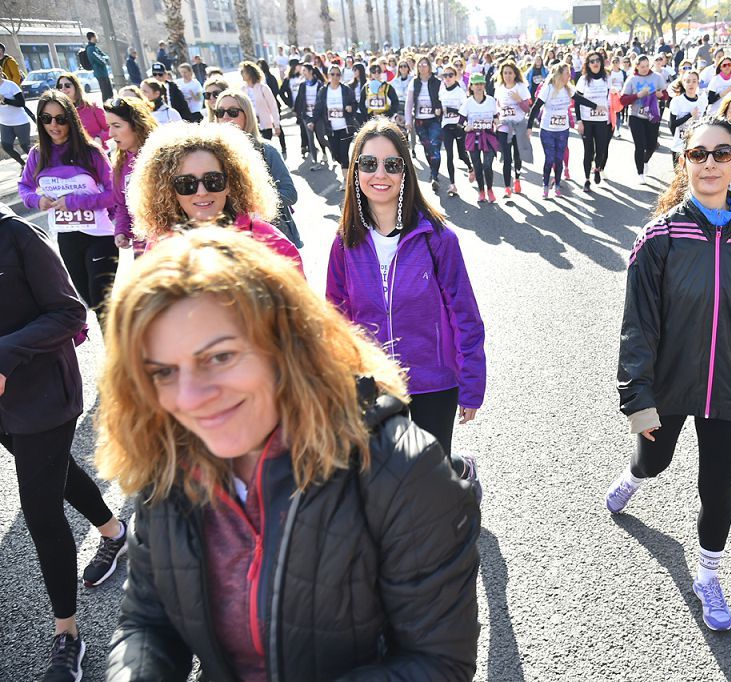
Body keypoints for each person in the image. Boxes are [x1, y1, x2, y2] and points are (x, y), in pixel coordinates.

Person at [98, 226, 480, 680]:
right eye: (162, 372)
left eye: (219, 357)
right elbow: (148, 619)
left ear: (283, 346)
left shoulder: (399, 469)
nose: (191, 397)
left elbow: (438, 662)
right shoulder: (170, 461)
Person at [607, 115, 731, 633]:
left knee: (719, 486)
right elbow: (636, 326)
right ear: (684, 163)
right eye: (699, 154)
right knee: (655, 462)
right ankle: (633, 475)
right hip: (669, 385)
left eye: (722, 154)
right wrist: (637, 399)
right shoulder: (660, 236)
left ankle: (708, 575)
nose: (710, 164)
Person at [0, 204, 128, 682]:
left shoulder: (18, 237)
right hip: (5, 406)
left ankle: (68, 636)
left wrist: (6, 353)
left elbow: (70, 312)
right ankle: (116, 534)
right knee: (56, 472)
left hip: (43, 397)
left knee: (40, 509)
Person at [326, 118, 486, 499]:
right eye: (368, 164)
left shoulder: (438, 238)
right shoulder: (344, 243)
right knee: (389, 477)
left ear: (405, 172)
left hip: (436, 379)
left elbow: (465, 315)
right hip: (375, 383)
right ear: (355, 172)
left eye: (391, 165)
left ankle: (458, 469)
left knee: (432, 471)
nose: (379, 174)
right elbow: (335, 319)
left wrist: (471, 384)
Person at [127, 121, 302, 271]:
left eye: (213, 180)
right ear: (169, 190)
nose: (202, 192)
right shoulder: (159, 249)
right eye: (186, 183)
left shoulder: (271, 245)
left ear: (230, 183)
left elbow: (298, 308)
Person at [18, 90, 119, 328]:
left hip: (99, 236)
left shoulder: (91, 152)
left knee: (101, 299)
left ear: (71, 120)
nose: (54, 125)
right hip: (68, 237)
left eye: (61, 119)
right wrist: (36, 200)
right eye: (46, 119)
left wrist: (75, 201)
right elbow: (24, 187)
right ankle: (123, 341)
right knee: (92, 303)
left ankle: (119, 360)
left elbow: (113, 194)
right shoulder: (37, 154)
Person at [215, 89, 303, 248]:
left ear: (246, 115)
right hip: (231, 242)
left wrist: (252, 202)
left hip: (270, 238)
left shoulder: (266, 151)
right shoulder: (210, 156)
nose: (225, 117)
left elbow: (290, 194)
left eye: (233, 112)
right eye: (220, 112)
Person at [527, 63, 596, 199]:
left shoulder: (568, 89)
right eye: (567, 73)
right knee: (549, 159)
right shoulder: (548, 88)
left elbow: (579, 100)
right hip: (547, 129)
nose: (569, 75)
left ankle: (557, 185)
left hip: (562, 130)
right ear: (559, 74)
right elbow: (536, 107)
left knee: (559, 160)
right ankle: (545, 185)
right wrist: (529, 127)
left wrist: (595, 106)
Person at [105, 96, 159, 255]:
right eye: (108, 126)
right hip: (142, 248)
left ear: (137, 125)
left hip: (170, 245)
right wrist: (121, 231)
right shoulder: (120, 164)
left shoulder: (163, 157)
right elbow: (122, 205)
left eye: (116, 126)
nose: (110, 133)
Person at [619, 55, 667, 185]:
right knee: (639, 146)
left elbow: (666, 94)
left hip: (652, 115)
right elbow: (622, 100)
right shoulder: (632, 79)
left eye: (647, 66)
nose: (645, 69)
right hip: (636, 116)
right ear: (637, 66)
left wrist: (660, 95)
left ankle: (645, 161)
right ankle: (640, 173)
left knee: (652, 145)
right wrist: (638, 95)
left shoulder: (657, 77)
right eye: (642, 67)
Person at [312, 64, 359, 180]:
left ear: (341, 76)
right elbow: (318, 108)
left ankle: (347, 180)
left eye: (338, 74)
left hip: (345, 127)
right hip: (331, 129)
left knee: (343, 153)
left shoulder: (346, 89)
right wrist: (312, 121)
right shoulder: (323, 91)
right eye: (332, 74)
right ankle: (349, 170)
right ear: (328, 75)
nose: (335, 77)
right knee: (336, 154)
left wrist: (350, 108)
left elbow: (355, 103)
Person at [494, 59, 532, 198]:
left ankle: (517, 179)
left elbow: (527, 109)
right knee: (507, 157)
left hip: (519, 126)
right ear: (502, 75)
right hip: (504, 127)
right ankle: (507, 187)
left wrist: (518, 100)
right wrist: (497, 119)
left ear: (515, 74)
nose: (508, 75)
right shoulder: (499, 89)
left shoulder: (521, 87)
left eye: (510, 73)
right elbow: (497, 107)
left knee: (517, 156)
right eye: (505, 73)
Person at [575, 51, 613, 193]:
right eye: (592, 61)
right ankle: (586, 180)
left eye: (597, 60)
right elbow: (577, 101)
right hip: (587, 120)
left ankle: (597, 168)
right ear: (588, 64)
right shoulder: (583, 80)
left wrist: (613, 118)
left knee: (601, 150)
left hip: (602, 120)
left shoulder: (606, 78)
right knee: (588, 151)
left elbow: (611, 99)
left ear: (601, 62)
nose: (595, 63)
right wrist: (579, 121)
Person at [407, 57, 445, 193]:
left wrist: (440, 108)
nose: (422, 67)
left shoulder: (437, 82)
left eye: (425, 65)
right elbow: (409, 103)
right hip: (420, 120)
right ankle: (433, 169)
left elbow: (443, 99)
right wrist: (407, 121)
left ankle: (434, 175)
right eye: (420, 65)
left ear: (429, 67)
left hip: (434, 120)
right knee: (427, 147)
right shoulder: (414, 82)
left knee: (435, 147)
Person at [461, 72, 499, 203]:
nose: (479, 87)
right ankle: (481, 191)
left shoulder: (491, 100)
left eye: (481, 84)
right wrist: (466, 127)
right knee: (477, 165)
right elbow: (461, 121)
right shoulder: (468, 102)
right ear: (471, 86)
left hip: (488, 136)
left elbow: (496, 116)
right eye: (476, 84)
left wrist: (497, 122)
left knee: (488, 165)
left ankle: (490, 189)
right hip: (473, 137)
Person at [439, 63, 472, 197]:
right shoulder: (441, 91)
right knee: (449, 155)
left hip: (458, 126)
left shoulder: (460, 92)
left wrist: (450, 110)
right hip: (446, 126)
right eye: (445, 75)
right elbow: (440, 107)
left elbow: (465, 111)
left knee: (462, 154)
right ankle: (452, 184)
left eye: (450, 75)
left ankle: (470, 168)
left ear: (455, 77)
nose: (447, 78)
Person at [240, 60, 284, 155]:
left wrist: (276, 125)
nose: (241, 74)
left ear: (250, 73)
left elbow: (273, 107)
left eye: (243, 71)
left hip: (265, 125)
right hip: (250, 125)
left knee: (264, 150)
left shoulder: (263, 88)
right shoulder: (242, 90)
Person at [668, 71, 711, 165]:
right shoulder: (677, 101)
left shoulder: (703, 101)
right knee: (679, 178)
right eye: (688, 81)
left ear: (698, 83)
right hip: (679, 146)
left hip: (696, 145)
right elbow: (672, 124)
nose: (691, 84)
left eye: (694, 81)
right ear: (683, 83)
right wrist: (689, 115)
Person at [55, 72, 110, 144]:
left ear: (76, 86)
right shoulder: (58, 111)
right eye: (60, 86)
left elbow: (110, 129)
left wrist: (99, 138)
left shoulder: (93, 107)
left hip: (97, 150)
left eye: (67, 85)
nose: (63, 89)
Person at [295, 63, 329, 170]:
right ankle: (315, 160)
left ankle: (331, 151)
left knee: (321, 138)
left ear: (310, 71)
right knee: (310, 139)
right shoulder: (302, 85)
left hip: (318, 116)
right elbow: (299, 101)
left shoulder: (319, 85)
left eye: (304, 70)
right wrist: (300, 115)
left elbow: (323, 102)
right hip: (307, 116)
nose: (303, 72)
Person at [0, 68, 31, 167]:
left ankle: (39, 164)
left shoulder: (10, 85)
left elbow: (21, 103)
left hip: (20, 122)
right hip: (5, 123)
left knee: (25, 146)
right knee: (6, 146)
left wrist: (5, 100)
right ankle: (23, 165)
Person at [85, 31, 114, 101]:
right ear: (92, 37)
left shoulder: (95, 47)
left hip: (104, 72)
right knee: (105, 93)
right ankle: (106, 108)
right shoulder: (90, 49)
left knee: (110, 92)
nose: (97, 38)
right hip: (100, 73)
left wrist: (105, 58)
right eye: (95, 36)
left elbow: (105, 56)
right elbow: (101, 60)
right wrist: (105, 59)